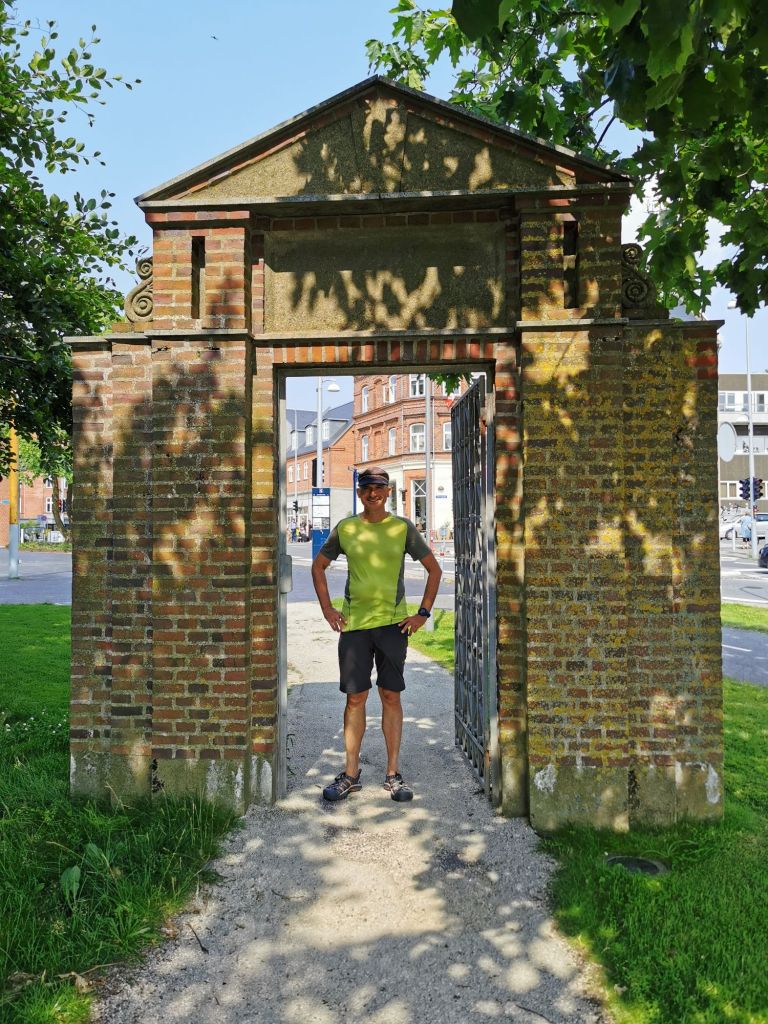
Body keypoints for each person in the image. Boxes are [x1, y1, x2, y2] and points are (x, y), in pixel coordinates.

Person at [311, 466, 442, 803]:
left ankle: (393, 774)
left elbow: (434, 569)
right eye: (367, 487)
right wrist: (327, 609)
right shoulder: (346, 528)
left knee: (390, 696)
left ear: (388, 491)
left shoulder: (402, 528)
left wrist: (423, 613)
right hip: (355, 627)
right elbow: (318, 566)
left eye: (379, 487)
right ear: (359, 492)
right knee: (355, 698)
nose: (373, 493)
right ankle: (350, 775)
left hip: (393, 626)